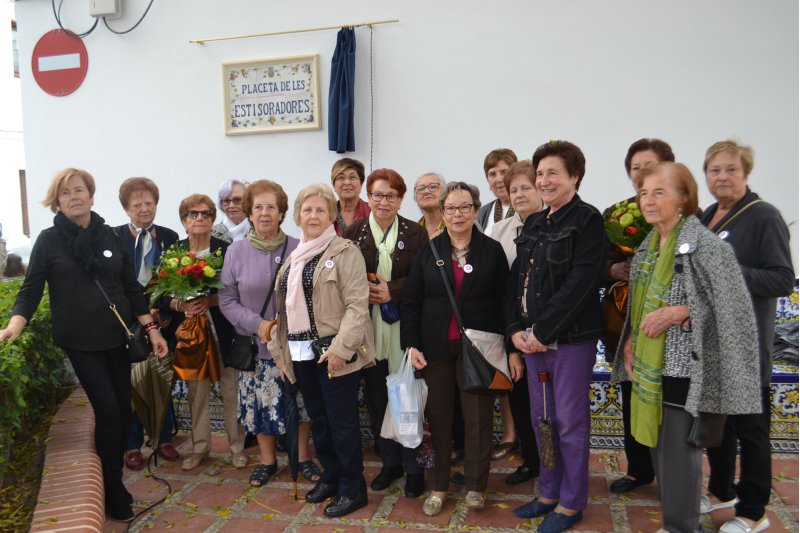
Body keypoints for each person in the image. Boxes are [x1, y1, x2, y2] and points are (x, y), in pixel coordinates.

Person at [0, 168, 168, 521]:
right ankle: (113, 489)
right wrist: (15, 324)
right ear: (57, 202)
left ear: (91, 196)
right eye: (65, 193)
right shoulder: (49, 241)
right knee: (107, 410)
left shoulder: (111, 236)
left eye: (79, 190)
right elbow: (31, 289)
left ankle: (112, 477)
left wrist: (152, 331)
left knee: (121, 410)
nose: (73, 197)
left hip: (117, 338)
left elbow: (130, 288)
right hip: (79, 341)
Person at [615, 162, 762, 533]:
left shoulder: (706, 246)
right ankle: (674, 523)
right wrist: (631, 339)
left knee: (680, 456)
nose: (648, 201)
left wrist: (681, 312)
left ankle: (681, 527)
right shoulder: (649, 246)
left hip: (687, 368)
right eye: (644, 193)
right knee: (661, 452)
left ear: (683, 198)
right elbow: (640, 305)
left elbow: (735, 309)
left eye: (659, 192)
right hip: (651, 367)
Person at [507, 141, 607, 533]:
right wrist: (515, 330)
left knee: (568, 421)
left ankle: (571, 501)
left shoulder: (587, 220)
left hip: (570, 341)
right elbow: (517, 281)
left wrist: (542, 331)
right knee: (542, 419)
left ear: (574, 176)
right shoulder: (536, 223)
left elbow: (580, 284)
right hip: (532, 342)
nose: (544, 181)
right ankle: (548, 492)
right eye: (540, 173)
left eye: (553, 173)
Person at [700, 141, 794, 533]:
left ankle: (754, 510)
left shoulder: (764, 216)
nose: (722, 177)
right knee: (718, 425)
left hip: (745, 344)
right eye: (714, 170)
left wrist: (730, 271)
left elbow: (782, 279)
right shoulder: (708, 215)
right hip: (712, 343)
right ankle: (721, 491)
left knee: (752, 431)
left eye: (731, 169)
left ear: (746, 173)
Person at [402, 181, 510, 516]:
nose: (457, 214)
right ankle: (438, 485)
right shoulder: (429, 251)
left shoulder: (492, 251)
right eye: (450, 208)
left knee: (478, 419)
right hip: (435, 349)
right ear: (443, 212)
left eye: (465, 207)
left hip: (479, 349)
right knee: (438, 418)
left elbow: (506, 303)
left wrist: (512, 349)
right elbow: (411, 301)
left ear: (476, 210)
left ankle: (476, 486)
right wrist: (411, 344)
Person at [268, 183, 376, 518]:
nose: (313, 215)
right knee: (319, 420)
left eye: (320, 210)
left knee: (342, 422)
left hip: (334, 353)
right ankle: (331, 477)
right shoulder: (293, 257)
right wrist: (281, 355)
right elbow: (283, 313)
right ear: (298, 216)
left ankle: (353, 489)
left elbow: (357, 306)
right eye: (307, 209)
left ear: (331, 215)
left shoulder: (345, 252)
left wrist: (342, 349)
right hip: (301, 352)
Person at [218, 180, 321, 487]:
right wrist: (258, 325)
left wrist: (287, 325)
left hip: (295, 345)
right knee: (260, 404)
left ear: (282, 213)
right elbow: (227, 300)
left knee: (301, 404)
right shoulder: (235, 252)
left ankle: (303, 457)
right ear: (249, 213)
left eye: (271, 207)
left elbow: (312, 294)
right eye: (258, 207)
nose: (264, 213)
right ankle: (267, 461)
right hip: (256, 345)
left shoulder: (299, 247)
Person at [343, 168, 428, 498]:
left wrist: (392, 290)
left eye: (391, 196)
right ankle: (390, 463)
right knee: (378, 398)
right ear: (369, 197)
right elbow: (345, 279)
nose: (384, 202)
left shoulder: (416, 234)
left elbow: (424, 281)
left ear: (401, 200)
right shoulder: (353, 233)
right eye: (377, 195)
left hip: (405, 329)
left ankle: (414, 467)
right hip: (367, 330)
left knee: (406, 397)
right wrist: (364, 291)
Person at [605, 139, 675, 494]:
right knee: (631, 394)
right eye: (636, 168)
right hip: (624, 320)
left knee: (668, 402)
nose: (642, 173)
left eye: (649, 166)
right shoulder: (616, 215)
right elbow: (596, 264)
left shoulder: (685, 216)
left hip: (669, 326)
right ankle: (638, 469)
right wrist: (615, 269)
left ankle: (672, 473)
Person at [171, 194, 247, 471]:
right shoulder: (174, 253)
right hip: (193, 336)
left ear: (213, 219)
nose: (199, 218)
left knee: (231, 391)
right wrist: (182, 305)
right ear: (184, 221)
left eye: (206, 214)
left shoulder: (227, 251)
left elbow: (239, 289)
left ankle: (236, 448)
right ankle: (200, 447)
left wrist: (212, 301)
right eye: (193, 214)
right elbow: (159, 295)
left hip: (224, 332)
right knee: (197, 392)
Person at [114, 177, 181, 470]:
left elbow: (176, 281)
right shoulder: (114, 237)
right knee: (131, 383)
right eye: (137, 204)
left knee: (161, 379)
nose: (144, 208)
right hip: (127, 323)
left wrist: (159, 309)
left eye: (149, 203)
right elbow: (114, 283)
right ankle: (132, 444)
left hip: (161, 320)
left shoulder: (169, 236)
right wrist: (139, 314)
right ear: (126, 208)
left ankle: (163, 438)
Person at [491, 160, 544, 485]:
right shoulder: (500, 231)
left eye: (526, 187)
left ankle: (554, 463)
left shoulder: (554, 227)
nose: (520, 194)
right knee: (520, 397)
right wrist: (511, 338)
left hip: (548, 332)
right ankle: (531, 460)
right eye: (514, 190)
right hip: (513, 330)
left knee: (549, 405)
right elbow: (502, 288)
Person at [476, 148, 518, 234]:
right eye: (492, 174)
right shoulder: (482, 213)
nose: (499, 179)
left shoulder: (527, 208)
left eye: (504, 172)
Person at [330, 158, 370, 235]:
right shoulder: (327, 213)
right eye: (341, 178)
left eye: (352, 178)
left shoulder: (372, 213)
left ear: (361, 183)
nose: (347, 182)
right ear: (334, 184)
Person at [414, 172, 446, 239]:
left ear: (445, 194)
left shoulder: (455, 226)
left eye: (433, 187)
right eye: (421, 189)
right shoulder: (411, 232)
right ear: (416, 198)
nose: (426, 191)